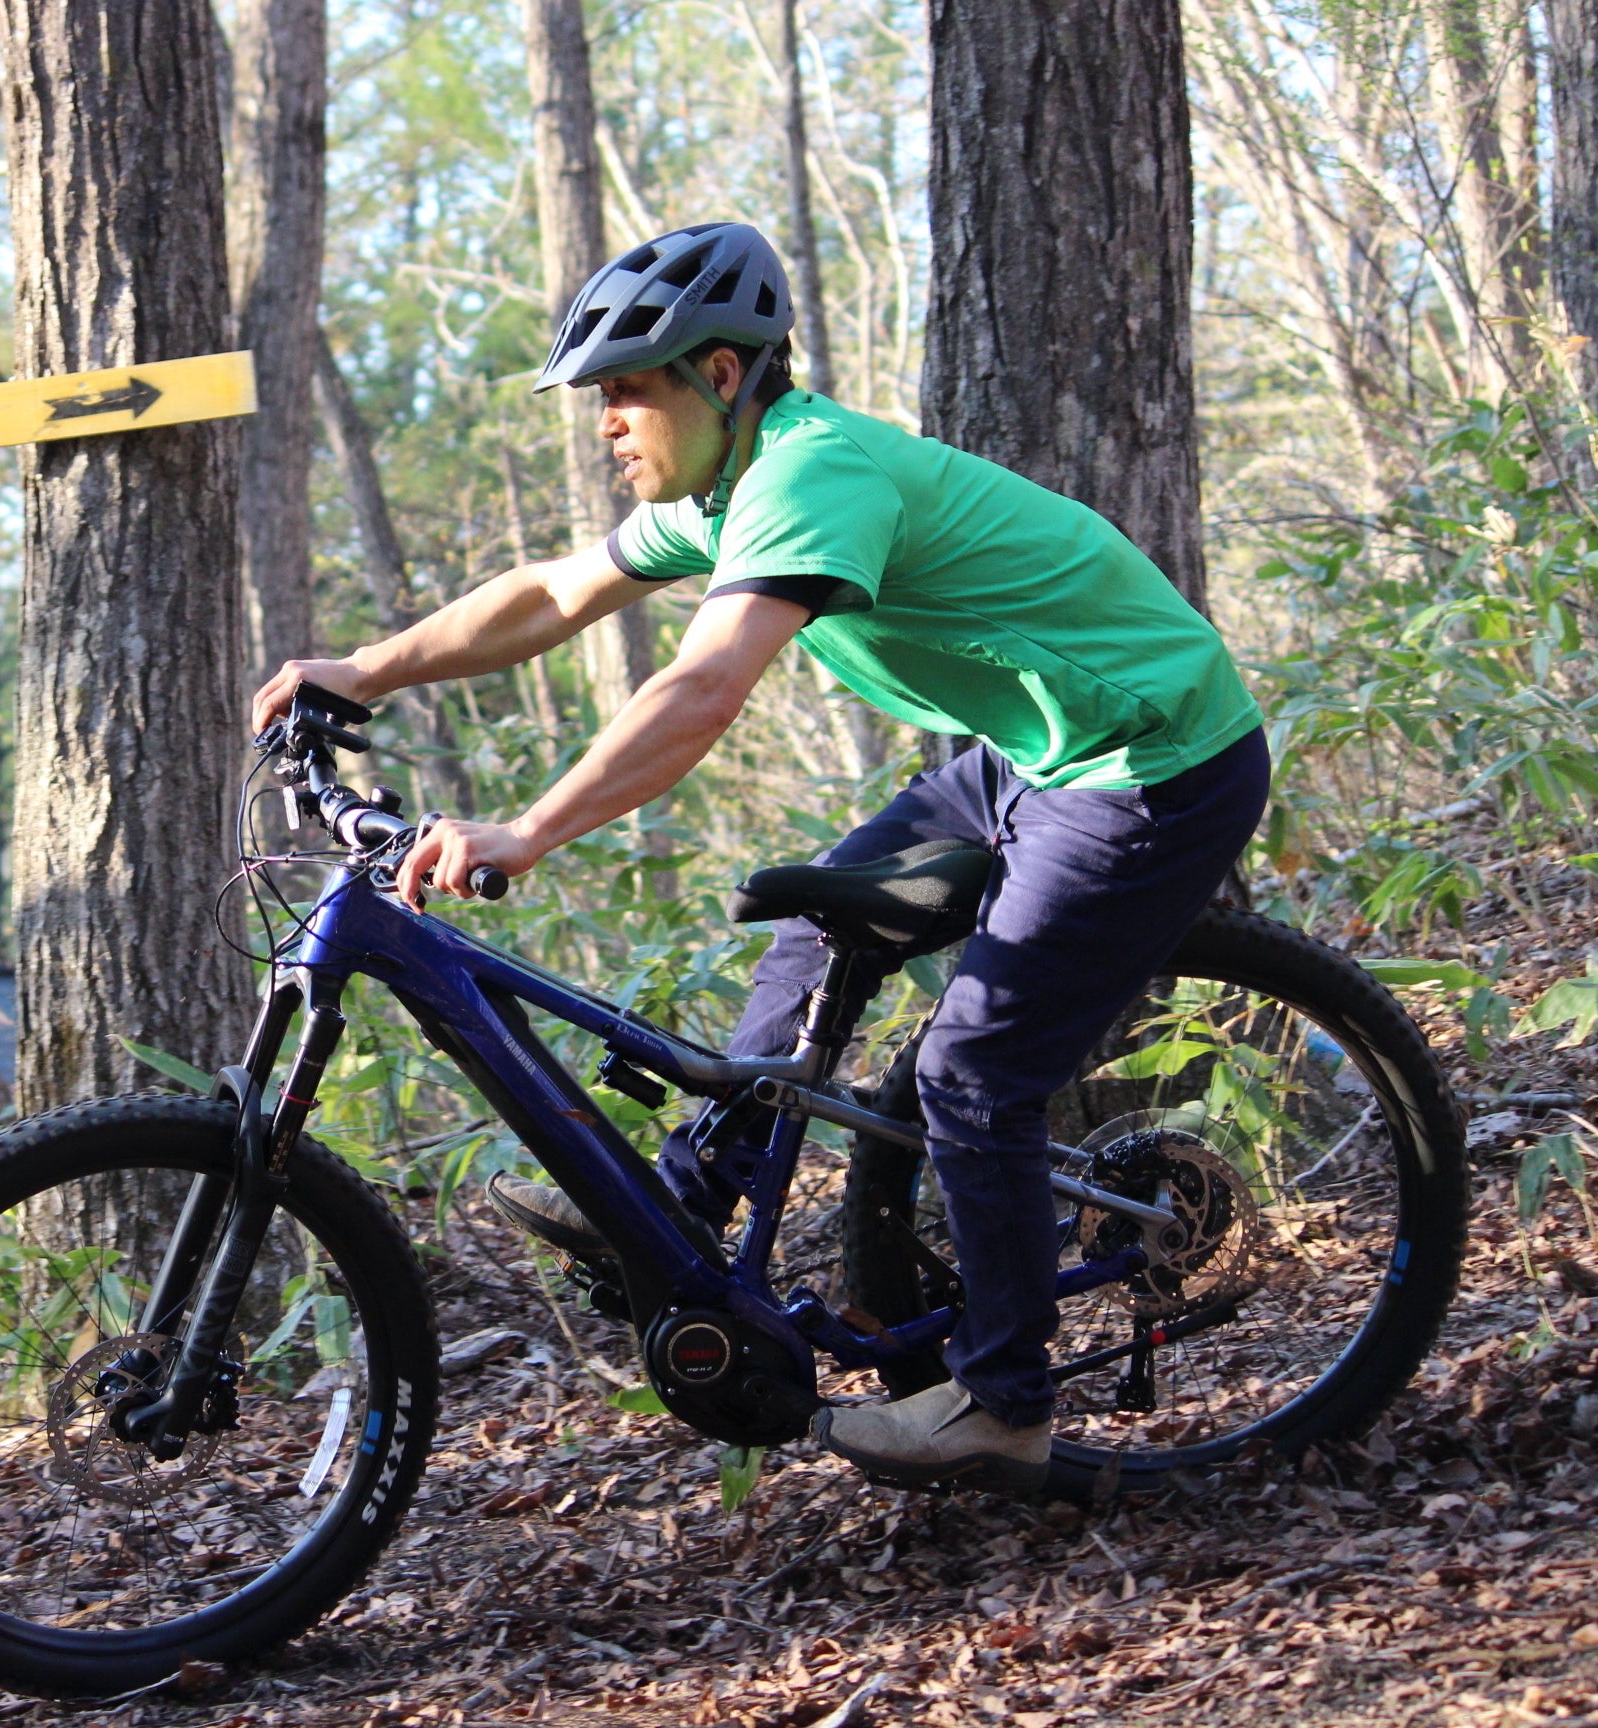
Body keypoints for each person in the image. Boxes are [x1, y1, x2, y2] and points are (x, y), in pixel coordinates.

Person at [249, 221, 1267, 1498]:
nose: (607, 421)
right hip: (1033, 751)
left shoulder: (810, 475)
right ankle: (689, 1200)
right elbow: (552, 595)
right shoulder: (724, 493)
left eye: (629, 389)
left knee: (974, 1076)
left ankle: (1004, 1403)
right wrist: (364, 668)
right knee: (814, 922)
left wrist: (531, 829)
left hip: (1150, 760)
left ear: (722, 375)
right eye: (600, 396)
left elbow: (703, 687)